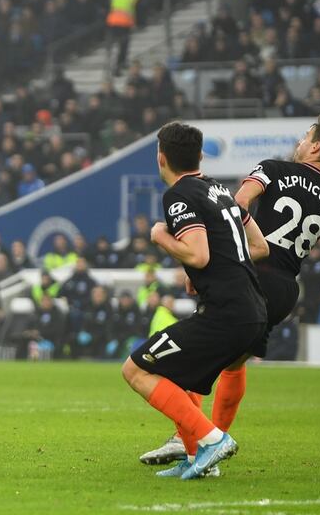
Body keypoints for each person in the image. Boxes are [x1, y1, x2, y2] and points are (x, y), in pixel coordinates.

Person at [140, 115, 320, 465]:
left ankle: (193, 438)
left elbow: (235, 206)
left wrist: (204, 266)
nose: (300, 141)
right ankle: (209, 439)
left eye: (306, 136)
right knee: (233, 361)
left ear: (315, 146)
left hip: (249, 274)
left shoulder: (274, 169)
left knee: (202, 352)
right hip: (286, 289)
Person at [121, 121, 269, 480]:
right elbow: (260, 247)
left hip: (226, 314)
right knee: (182, 375)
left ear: (161, 158)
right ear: (200, 156)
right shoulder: (218, 190)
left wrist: (160, 237)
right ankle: (195, 459)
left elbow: (198, 254)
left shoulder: (179, 195)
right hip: (253, 309)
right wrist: (202, 272)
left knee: (136, 369)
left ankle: (211, 439)